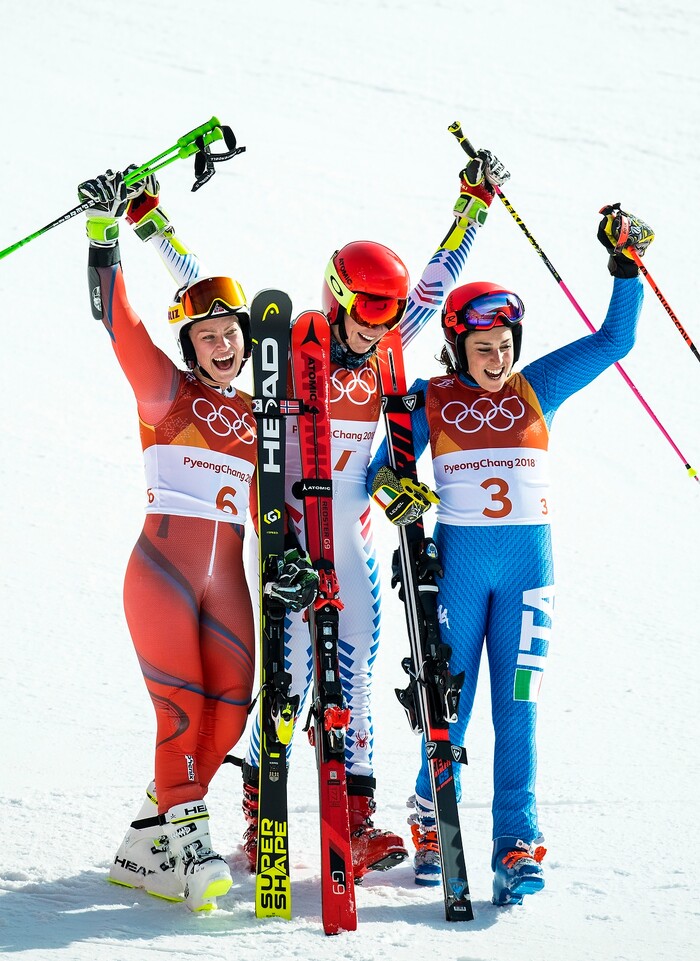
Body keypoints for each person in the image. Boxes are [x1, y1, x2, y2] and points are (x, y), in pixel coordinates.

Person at [236, 149, 512, 881]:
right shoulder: (286, 352)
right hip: (290, 539)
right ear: (336, 299)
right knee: (291, 677)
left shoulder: (386, 354)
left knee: (354, 676)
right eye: (366, 310)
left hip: (351, 538)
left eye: (386, 315)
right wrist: (145, 224)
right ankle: (258, 803)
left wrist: (472, 206)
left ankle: (355, 819)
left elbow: (433, 285)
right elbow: (219, 330)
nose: (376, 326)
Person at [367, 201, 653, 903]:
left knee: (517, 708)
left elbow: (615, 339)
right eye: (482, 348)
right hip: (459, 570)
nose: (496, 360)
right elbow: (380, 469)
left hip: (529, 574)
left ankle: (515, 842)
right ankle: (434, 817)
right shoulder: (428, 399)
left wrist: (626, 265)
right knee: (450, 709)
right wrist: (396, 492)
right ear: (456, 347)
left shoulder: (537, 387)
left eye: (504, 345)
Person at [78, 169, 317, 912]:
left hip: (227, 580)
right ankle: (188, 839)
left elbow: (277, 502)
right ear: (190, 345)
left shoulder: (256, 416)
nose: (220, 345)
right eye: (206, 336)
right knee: (180, 710)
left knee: (234, 707)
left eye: (230, 335)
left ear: (245, 343)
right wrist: (104, 235)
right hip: (163, 571)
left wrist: (299, 563)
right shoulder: (165, 391)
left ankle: (146, 842)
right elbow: (121, 326)